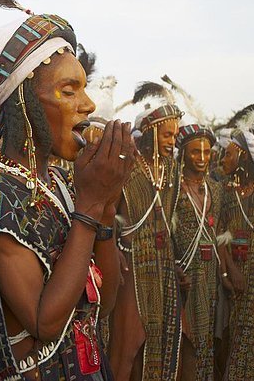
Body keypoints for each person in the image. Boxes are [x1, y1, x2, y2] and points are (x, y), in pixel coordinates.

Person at [0, 6, 138, 379]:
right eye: (69, 91)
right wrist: (89, 205)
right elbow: (44, 322)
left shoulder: (61, 182)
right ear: (25, 102)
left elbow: (107, 299)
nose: (88, 105)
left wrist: (106, 203)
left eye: (84, 89)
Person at [109, 104, 183, 380]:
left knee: (161, 336)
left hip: (162, 265)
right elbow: (108, 214)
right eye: (167, 135)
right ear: (151, 132)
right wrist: (112, 250)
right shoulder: (127, 168)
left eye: (175, 136)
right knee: (128, 342)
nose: (172, 142)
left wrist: (174, 262)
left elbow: (169, 221)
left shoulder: (171, 169)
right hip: (131, 265)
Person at [172, 122, 221, 381]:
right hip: (183, 273)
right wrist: (174, 266)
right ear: (183, 154)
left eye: (207, 152)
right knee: (184, 337)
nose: (202, 158)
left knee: (205, 337)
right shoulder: (173, 189)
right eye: (195, 152)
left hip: (209, 275)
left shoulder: (216, 189)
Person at [218, 127, 254, 380]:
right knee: (233, 336)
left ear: (243, 156)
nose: (223, 159)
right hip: (234, 278)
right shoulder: (224, 191)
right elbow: (218, 235)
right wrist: (228, 271)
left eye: (229, 154)